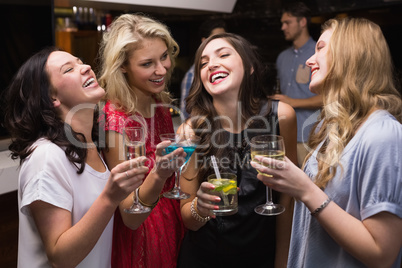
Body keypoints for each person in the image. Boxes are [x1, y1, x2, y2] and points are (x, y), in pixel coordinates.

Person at [251, 17, 402, 267]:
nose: (310, 60)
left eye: (320, 48)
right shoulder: (328, 128)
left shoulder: (384, 134)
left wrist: (304, 189)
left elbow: (381, 253)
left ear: (350, 54)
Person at [3, 47, 149, 267]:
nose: (86, 67)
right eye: (69, 69)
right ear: (51, 97)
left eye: (81, 61)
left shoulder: (92, 148)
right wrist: (110, 198)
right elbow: (60, 258)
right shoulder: (46, 156)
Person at [176, 32, 298, 267]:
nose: (212, 64)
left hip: (261, 256)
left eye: (223, 54)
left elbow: (288, 197)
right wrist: (199, 207)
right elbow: (188, 219)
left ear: (250, 66)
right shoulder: (191, 131)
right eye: (203, 63)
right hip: (204, 257)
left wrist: (283, 259)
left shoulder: (281, 116)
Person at [97, 13, 187, 267]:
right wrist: (160, 173)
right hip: (143, 233)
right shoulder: (115, 119)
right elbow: (128, 211)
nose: (162, 70)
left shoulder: (159, 101)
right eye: (147, 64)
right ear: (122, 65)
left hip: (171, 219)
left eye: (164, 57)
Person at [275, 2, 322, 167]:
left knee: (311, 186)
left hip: (311, 135)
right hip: (285, 136)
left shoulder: (319, 53)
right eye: (282, 23)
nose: (283, 27)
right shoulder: (282, 57)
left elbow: (330, 97)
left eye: (287, 22)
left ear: (302, 22)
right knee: (287, 189)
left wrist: (293, 102)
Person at [179, 18, 227, 119]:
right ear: (204, 41)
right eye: (216, 38)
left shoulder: (227, 69)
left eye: (224, 37)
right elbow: (187, 113)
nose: (222, 41)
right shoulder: (192, 76)